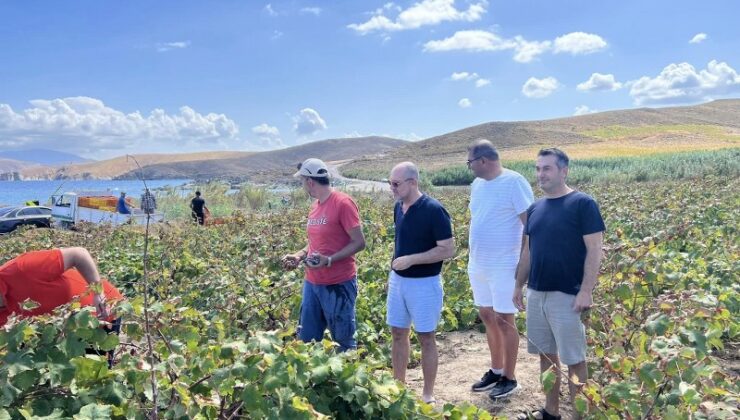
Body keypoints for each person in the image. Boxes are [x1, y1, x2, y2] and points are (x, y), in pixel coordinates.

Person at [513, 148, 605, 420]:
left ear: (563, 171)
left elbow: (595, 249)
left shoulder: (582, 204)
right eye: (538, 168)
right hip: (537, 293)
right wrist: (519, 284)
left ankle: (579, 416)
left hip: (568, 295)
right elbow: (528, 250)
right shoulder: (535, 208)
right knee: (546, 355)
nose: (540, 174)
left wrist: (586, 290)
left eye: (547, 168)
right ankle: (550, 412)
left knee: (574, 359)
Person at [467, 139, 534, 399]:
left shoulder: (514, 182)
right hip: (479, 264)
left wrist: (522, 267)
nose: (469, 167)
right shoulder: (477, 184)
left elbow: (530, 227)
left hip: (505, 265)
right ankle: (495, 370)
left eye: (470, 162)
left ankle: (510, 376)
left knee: (506, 321)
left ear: (483, 160)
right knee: (487, 315)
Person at [386, 162, 455, 404]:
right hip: (398, 282)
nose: (391, 188)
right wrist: (395, 273)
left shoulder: (434, 210)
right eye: (390, 183)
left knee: (426, 337)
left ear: (413, 182)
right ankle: (398, 385)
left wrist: (412, 260)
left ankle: (427, 394)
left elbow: (448, 249)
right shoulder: (399, 208)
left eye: (395, 184)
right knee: (397, 333)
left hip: (425, 284)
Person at [281, 158, 366, 352]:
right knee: (307, 340)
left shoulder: (343, 203)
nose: (303, 186)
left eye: (302, 181)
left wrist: (328, 260)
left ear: (309, 181)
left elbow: (359, 242)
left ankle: (345, 379)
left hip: (338, 283)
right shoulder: (316, 206)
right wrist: (299, 255)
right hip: (312, 283)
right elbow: (314, 243)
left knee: (344, 342)